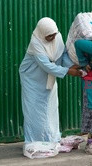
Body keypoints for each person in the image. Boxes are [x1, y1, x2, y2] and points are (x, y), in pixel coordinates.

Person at [19, 17, 82, 145]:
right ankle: (35, 141)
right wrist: (68, 71)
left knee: (50, 107)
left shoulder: (57, 36)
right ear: (42, 33)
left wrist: (72, 65)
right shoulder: (36, 43)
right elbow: (46, 65)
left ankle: (51, 138)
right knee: (34, 109)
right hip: (32, 79)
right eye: (49, 36)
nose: (52, 38)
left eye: (54, 35)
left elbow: (61, 54)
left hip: (48, 77)